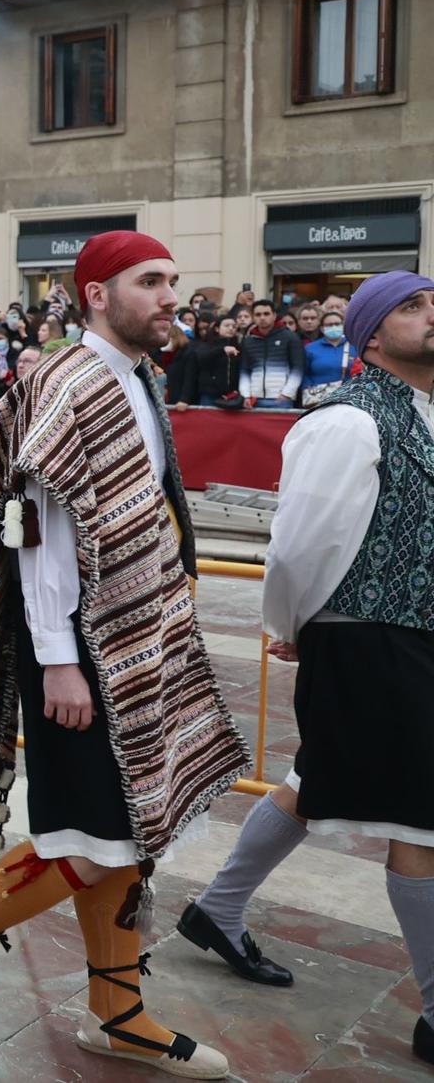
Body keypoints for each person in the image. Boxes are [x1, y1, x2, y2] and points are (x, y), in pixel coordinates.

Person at [0, 230, 245, 1079]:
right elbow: (41, 535)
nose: (173, 296)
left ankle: (117, 1010)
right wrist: (59, 657)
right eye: (151, 281)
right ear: (97, 293)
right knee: (84, 837)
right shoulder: (70, 382)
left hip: (132, 641)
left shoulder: (135, 379)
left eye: (174, 279)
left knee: (124, 831)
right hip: (81, 648)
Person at [176, 270, 434, 1068]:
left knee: (315, 778)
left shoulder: (423, 416)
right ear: (368, 333)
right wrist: (291, 625)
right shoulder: (350, 420)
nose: (433, 316)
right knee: (421, 820)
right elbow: (301, 541)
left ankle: (218, 909)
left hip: (408, 637)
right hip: (369, 638)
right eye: (413, 307)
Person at [240, 299, 303, 409]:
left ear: (274, 315)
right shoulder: (248, 341)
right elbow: (244, 370)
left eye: (266, 314)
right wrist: (245, 395)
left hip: (281, 399)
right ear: (253, 317)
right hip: (254, 398)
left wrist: (287, 393)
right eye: (258, 314)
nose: (262, 317)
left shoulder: (290, 337)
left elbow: (298, 368)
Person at [299, 308, 358, 406]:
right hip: (318, 400)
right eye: (329, 325)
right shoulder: (310, 348)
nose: (334, 327)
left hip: (349, 400)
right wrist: (308, 389)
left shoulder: (354, 347)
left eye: (337, 324)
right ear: (322, 328)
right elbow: (304, 373)